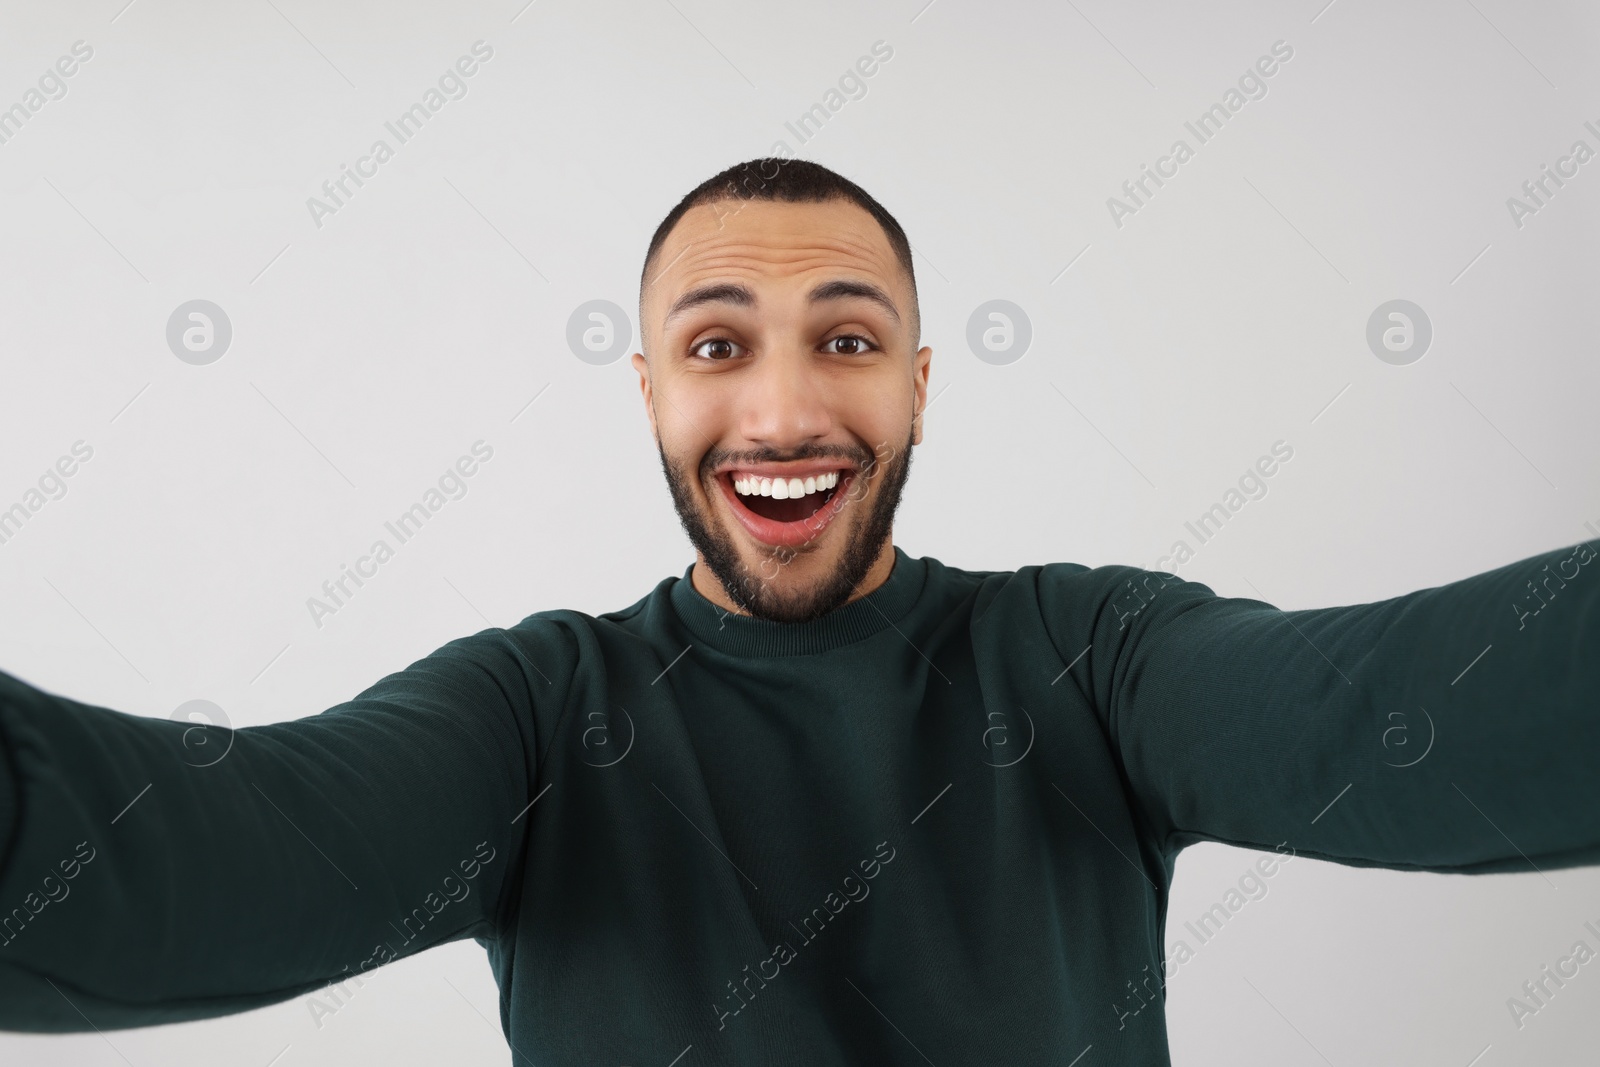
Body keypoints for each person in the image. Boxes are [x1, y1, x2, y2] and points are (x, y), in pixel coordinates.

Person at [1, 157, 1595, 1066]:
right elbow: (204, 865)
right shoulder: (536, 715)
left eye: (845, 341)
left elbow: (1407, 715)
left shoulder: (1085, 658)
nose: (779, 411)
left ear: (916, 385)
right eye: (715, 347)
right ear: (645, 394)